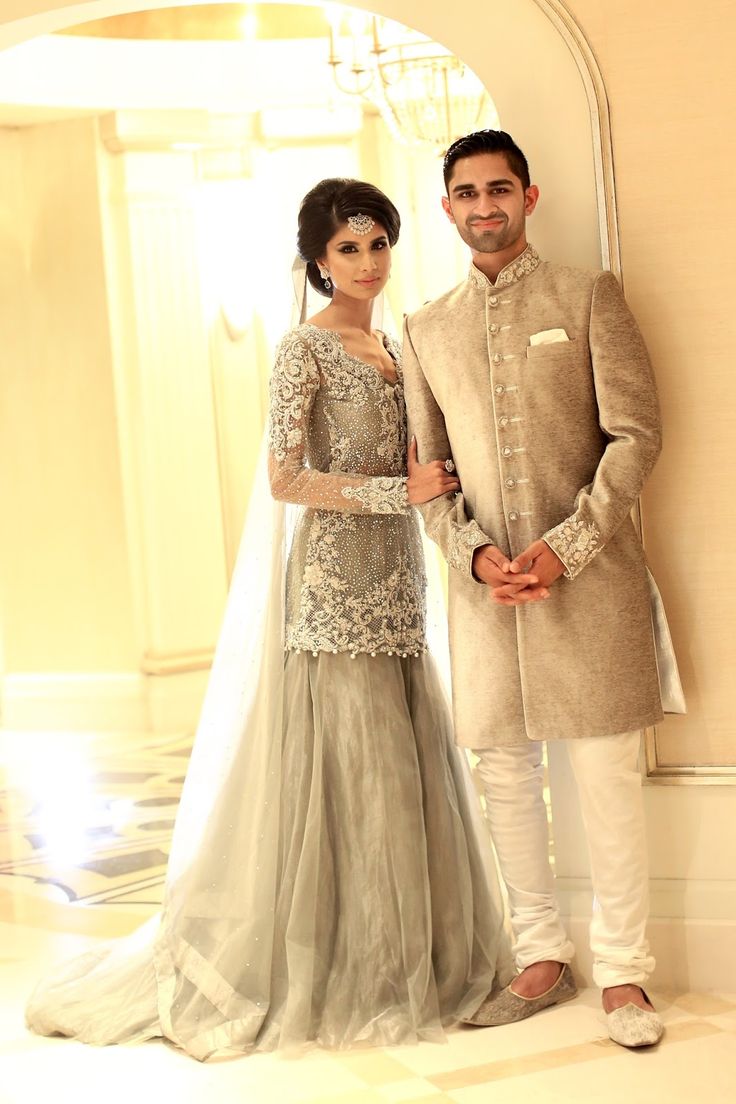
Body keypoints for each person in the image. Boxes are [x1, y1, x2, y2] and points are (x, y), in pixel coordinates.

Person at [25, 177, 513, 1060]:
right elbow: (286, 479)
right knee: (354, 772)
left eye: (377, 245)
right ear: (320, 264)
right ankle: (355, 970)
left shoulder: (396, 347)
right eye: (347, 250)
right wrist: (392, 492)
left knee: (401, 765)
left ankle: (417, 959)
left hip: (397, 583)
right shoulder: (305, 350)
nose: (367, 263)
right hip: (331, 591)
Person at [402, 129, 684, 1049]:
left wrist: (569, 545)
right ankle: (541, 955)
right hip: (486, 596)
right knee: (507, 776)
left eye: (499, 189)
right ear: (447, 208)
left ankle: (626, 975)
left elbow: (637, 434)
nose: (484, 206)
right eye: (466, 194)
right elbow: (427, 470)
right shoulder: (425, 327)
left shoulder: (586, 295)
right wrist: (473, 555)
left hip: (589, 582)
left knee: (603, 775)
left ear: (529, 196)